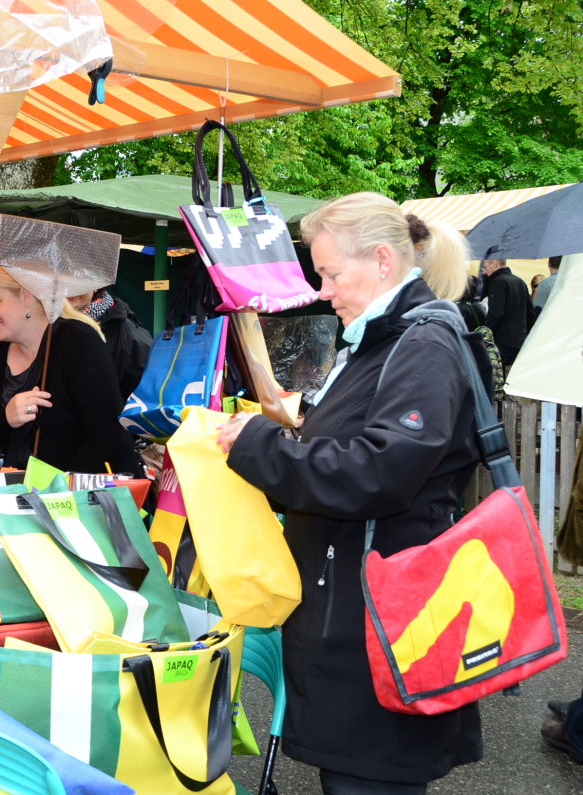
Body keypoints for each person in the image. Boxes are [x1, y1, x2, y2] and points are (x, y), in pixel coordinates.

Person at [216, 193, 485, 793]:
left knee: (369, 779)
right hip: (358, 611)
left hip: (384, 620)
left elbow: (377, 473)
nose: (324, 290)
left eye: (332, 274)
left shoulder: (422, 346)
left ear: (383, 261)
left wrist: (261, 446)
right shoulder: (380, 341)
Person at [0, 260, 138, 473]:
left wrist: (57, 486)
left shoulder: (77, 340)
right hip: (20, 488)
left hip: (77, 489)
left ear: (26, 295)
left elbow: (108, 436)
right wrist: (6, 418)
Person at [67, 286, 152, 399]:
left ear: (97, 284)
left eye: (79, 278)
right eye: (61, 279)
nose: (70, 287)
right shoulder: (48, 326)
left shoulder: (129, 340)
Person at [481, 257, 533, 369]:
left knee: (498, 375)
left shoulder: (497, 282)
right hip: (520, 340)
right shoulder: (520, 282)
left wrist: (484, 335)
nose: (484, 272)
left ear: (494, 264)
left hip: (502, 342)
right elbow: (530, 314)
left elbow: (496, 314)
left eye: (485, 267)